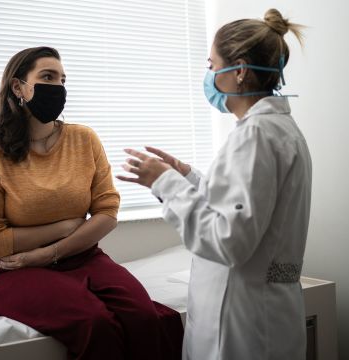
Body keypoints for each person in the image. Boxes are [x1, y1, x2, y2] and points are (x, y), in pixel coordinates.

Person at [0, 46, 183, 360]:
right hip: (11, 268)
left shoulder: (84, 140)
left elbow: (107, 212)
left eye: (62, 80)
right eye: (47, 77)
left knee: (147, 319)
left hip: (81, 256)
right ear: (18, 87)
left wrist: (50, 252)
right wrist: (64, 226)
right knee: (94, 323)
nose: (58, 87)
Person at [117, 9, 310, 360]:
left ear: (238, 71)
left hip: (245, 323)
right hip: (266, 311)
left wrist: (163, 181)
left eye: (211, 64)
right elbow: (245, 205)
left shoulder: (255, 135)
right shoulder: (278, 131)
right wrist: (185, 175)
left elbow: (229, 241)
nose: (208, 75)